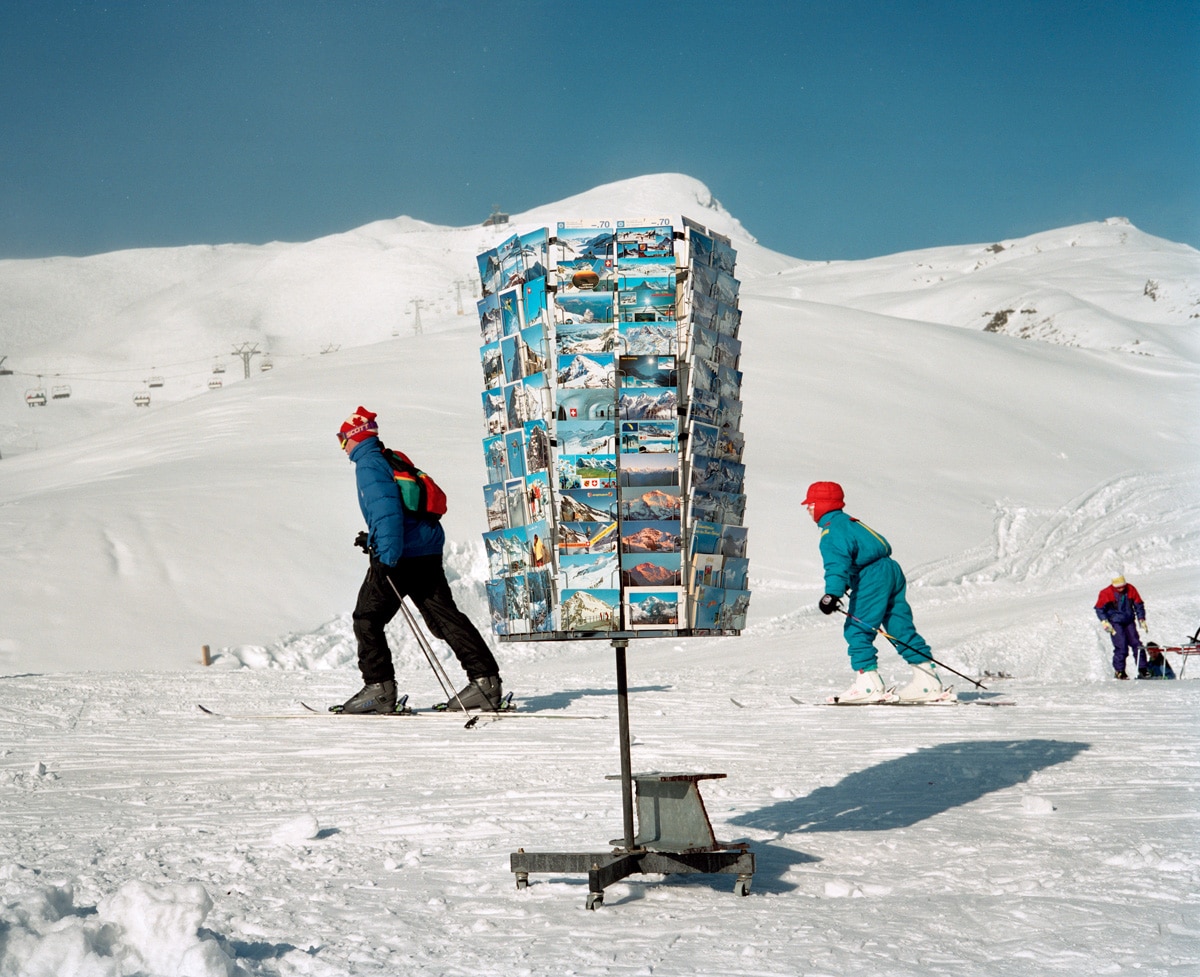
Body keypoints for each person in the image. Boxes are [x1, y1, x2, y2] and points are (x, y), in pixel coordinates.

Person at [337, 407, 503, 714]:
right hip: (424, 549)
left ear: (354, 437)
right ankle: (486, 682)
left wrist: (385, 554)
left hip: (401, 556)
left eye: (341, 438)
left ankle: (379, 688)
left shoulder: (369, 463)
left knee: (367, 618)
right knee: (445, 618)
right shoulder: (391, 457)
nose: (342, 446)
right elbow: (400, 510)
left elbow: (387, 511)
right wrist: (373, 538)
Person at [803, 481, 946, 703]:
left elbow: (836, 565)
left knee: (858, 628)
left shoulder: (831, 530)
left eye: (810, 504)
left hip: (872, 576)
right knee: (899, 626)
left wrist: (832, 594)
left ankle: (868, 685)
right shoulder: (850, 522)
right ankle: (927, 683)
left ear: (822, 504)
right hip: (890, 570)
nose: (808, 509)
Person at [1094, 575, 1147, 679]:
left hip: (1129, 621)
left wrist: (1141, 618)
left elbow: (1138, 604)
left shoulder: (1130, 589)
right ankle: (1120, 671)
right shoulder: (1106, 593)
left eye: (1123, 586)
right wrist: (1105, 621)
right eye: (1118, 587)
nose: (1121, 589)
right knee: (1121, 646)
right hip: (1115, 623)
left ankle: (1143, 669)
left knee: (1137, 644)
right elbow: (1099, 608)